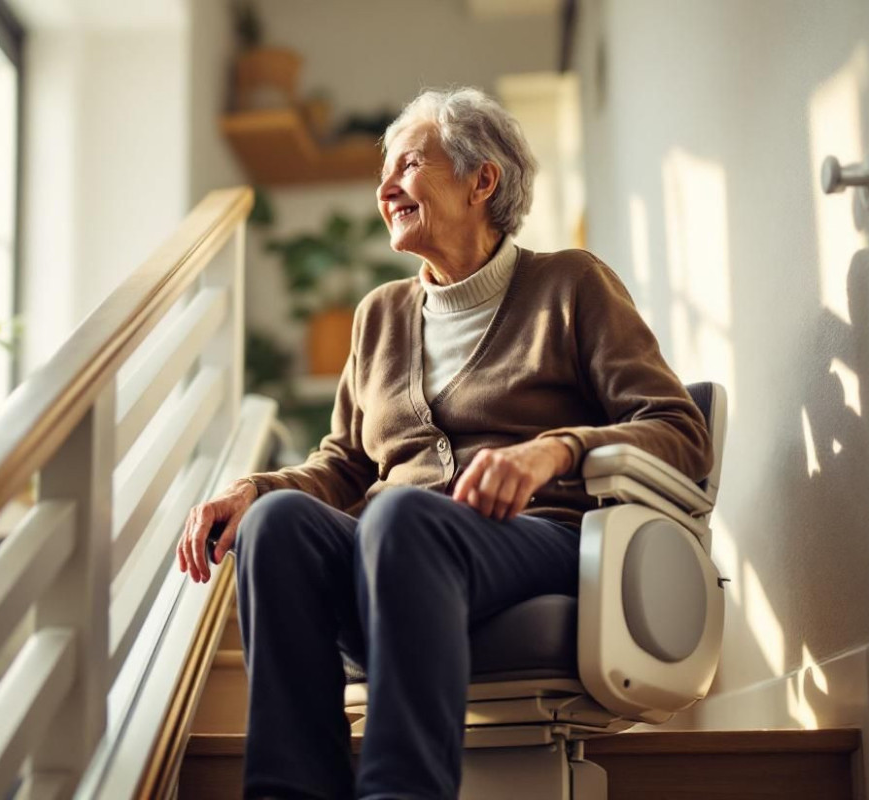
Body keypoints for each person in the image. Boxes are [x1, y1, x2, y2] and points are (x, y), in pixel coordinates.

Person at [175, 86, 712, 800]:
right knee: (276, 526)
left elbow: (680, 432)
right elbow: (343, 463)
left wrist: (555, 449)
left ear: (481, 179)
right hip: (397, 553)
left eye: (407, 166)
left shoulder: (571, 285)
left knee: (401, 517)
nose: (385, 186)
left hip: (538, 540)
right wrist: (255, 490)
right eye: (383, 173)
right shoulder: (380, 316)